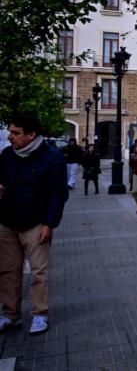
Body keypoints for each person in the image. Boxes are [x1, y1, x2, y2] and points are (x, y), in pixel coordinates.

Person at [0, 113, 68, 335]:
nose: (10, 137)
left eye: (15, 133)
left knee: (40, 271)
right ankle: (11, 314)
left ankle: (40, 314)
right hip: (7, 221)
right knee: (8, 270)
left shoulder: (52, 157)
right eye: (10, 131)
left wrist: (49, 223)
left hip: (36, 222)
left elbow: (58, 194)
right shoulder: (7, 155)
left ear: (31, 135)